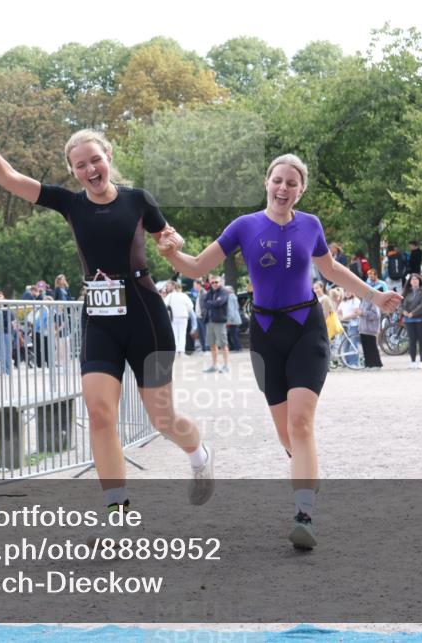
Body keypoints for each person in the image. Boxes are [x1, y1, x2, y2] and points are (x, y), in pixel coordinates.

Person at [0, 107, 213, 513]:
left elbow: (168, 240)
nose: (90, 169)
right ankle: (118, 511)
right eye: (80, 165)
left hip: (145, 315)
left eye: (95, 160)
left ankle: (199, 455)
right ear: (73, 171)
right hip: (99, 319)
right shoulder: (70, 204)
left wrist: (175, 242)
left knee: (162, 419)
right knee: (99, 414)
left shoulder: (138, 200)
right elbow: (8, 178)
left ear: (108, 157)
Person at [158, 153, 402, 550]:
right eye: (278, 180)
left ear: (300, 191)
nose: (283, 188)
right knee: (287, 434)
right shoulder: (244, 226)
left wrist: (373, 295)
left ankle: (304, 514)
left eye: (292, 183)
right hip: (266, 335)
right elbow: (198, 266)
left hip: (307, 328)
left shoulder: (311, 225)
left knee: (301, 423)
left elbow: (331, 269)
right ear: (267, 183)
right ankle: (305, 468)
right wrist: (170, 253)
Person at [201, 276, 230, 373]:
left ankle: (226, 366)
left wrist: (211, 303)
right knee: (212, 344)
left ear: (220, 282)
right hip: (209, 321)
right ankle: (214, 365)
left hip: (219, 322)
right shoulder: (209, 292)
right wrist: (213, 302)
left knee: (223, 344)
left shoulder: (224, 292)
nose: (214, 284)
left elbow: (219, 303)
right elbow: (204, 303)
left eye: (216, 282)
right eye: (212, 282)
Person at [402, 273, 422, 369]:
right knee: (412, 340)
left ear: (419, 281)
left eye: (416, 279)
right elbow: (400, 304)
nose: (414, 281)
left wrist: (413, 313)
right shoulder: (406, 291)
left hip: (420, 319)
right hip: (409, 320)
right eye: (412, 279)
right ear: (409, 282)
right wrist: (403, 311)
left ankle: (421, 361)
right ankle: (413, 361)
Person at [165, 281, 194, 355]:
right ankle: (182, 351)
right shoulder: (184, 295)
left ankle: (176, 351)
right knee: (182, 334)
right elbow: (191, 306)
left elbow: (165, 304)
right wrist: (186, 310)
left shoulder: (170, 296)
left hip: (173, 317)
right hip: (183, 317)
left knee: (175, 334)